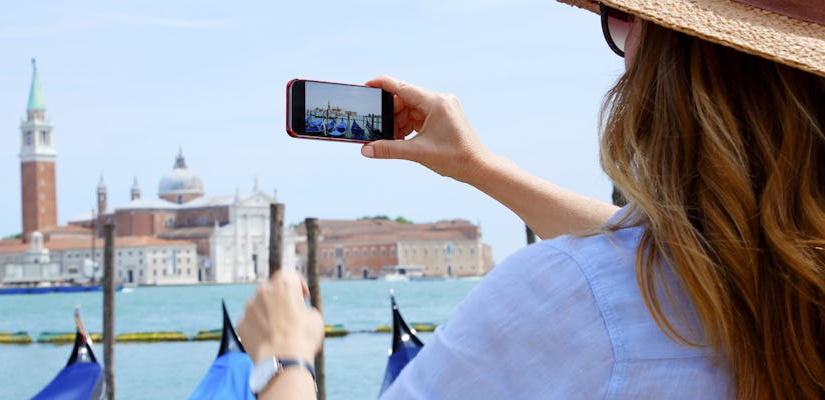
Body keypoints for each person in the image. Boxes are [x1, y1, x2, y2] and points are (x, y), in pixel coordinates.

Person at [238, 0, 825, 398]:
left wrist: (283, 361)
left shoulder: (566, 298)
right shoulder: (792, 279)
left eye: (621, 20)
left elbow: (626, 284)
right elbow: (679, 259)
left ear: (674, 54)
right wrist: (483, 169)